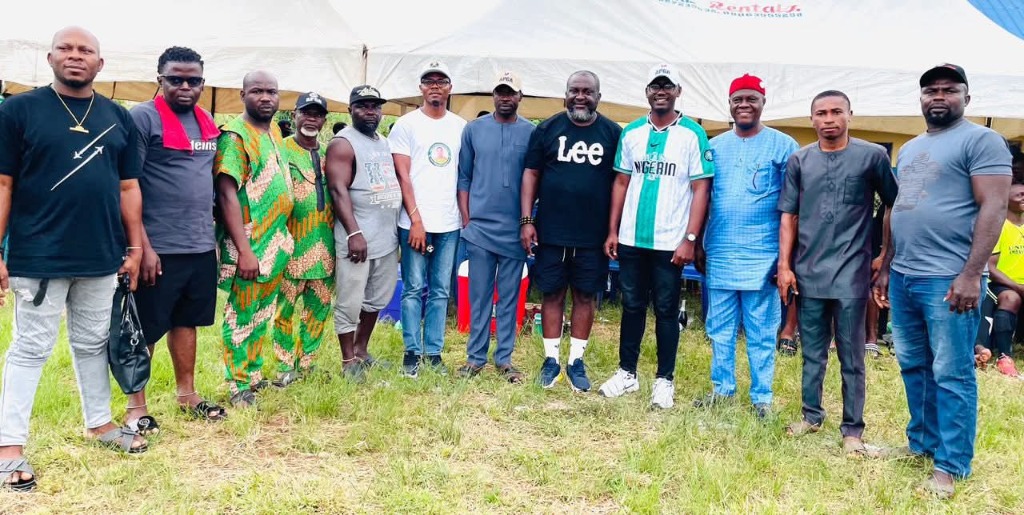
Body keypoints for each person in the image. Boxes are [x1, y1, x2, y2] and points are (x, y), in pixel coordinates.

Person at [0, 26, 147, 491]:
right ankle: (8, 447)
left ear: (100, 64)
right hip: (39, 254)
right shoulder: (18, 110)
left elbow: (128, 187)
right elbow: (3, 184)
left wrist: (135, 247)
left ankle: (99, 424)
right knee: (30, 347)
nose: (75, 55)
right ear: (50, 58)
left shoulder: (117, 117)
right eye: (65, 48)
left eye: (86, 50)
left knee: (91, 342)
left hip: (102, 254)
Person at [875, 63, 1012, 499]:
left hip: (949, 279)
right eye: (930, 90)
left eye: (949, 90)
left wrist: (972, 273)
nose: (938, 96)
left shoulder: (982, 140)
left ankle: (951, 465)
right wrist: (886, 264)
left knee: (951, 373)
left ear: (966, 98)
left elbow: (994, 207)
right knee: (913, 364)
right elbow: (898, 207)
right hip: (905, 274)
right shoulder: (912, 148)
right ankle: (922, 443)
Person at [777, 90, 898, 456]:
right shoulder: (800, 160)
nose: (828, 119)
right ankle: (811, 416)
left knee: (852, 356)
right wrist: (785, 266)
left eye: (835, 112)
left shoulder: (872, 156)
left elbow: (893, 205)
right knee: (812, 352)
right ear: (811, 118)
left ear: (850, 114)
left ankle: (852, 431)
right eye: (821, 113)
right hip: (809, 271)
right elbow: (789, 216)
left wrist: (885, 254)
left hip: (852, 273)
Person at [597, 64, 712, 408]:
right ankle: (627, 373)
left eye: (667, 86)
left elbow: (701, 188)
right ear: (647, 91)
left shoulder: (692, 134)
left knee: (665, 309)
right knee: (631, 305)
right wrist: (613, 230)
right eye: (655, 86)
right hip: (632, 237)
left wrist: (690, 238)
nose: (661, 91)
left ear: (678, 91)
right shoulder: (632, 132)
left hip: (670, 241)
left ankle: (664, 380)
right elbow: (621, 182)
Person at [124, 46, 226, 433]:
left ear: (202, 82)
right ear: (160, 80)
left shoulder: (207, 121)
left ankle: (188, 395)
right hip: (158, 246)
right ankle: (136, 406)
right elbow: (127, 184)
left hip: (199, 244)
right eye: (176, 79)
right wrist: (142, 247)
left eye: (193, 80)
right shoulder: (142, 118)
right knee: (147, 326)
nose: (185, 87)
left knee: (187, 321)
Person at [693, 73, 798, 417]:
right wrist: (699, 244)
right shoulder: (715, 147)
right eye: (738, 99)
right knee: (719, 328)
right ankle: (722, 390)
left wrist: (784, 260)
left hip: (763, 255)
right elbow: (704, 198)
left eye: (752, 98)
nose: (744, 105)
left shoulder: (784, 146)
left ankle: (761, 397)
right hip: (721, 251)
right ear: (729, 104)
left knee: (761, 330)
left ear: (763, 102)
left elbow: (792, 208)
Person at [520, 71, 622, 392]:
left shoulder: (613, 133)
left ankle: (576, 361)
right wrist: (527, 220)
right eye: (574, 90)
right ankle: (551, 360)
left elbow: (620, 183)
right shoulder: (547, 129)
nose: (580, 97)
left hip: (593, 235)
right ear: (565, 94)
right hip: (551, 231)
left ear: (598, 97)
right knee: (552, 293)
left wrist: (613, 230)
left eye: (587, 91)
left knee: (585, 295)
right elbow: (531, 174)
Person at [214, 71, 294, 407]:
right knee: (241, 314)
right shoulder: (235, 137)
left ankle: (254, 375)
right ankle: (238, 384)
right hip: (249, 243)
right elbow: (226, 194)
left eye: (271, 92)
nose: (265, 97)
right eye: (257, 91)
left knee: (262, 313)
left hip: (275, 242)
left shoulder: (273, 131)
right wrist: (244, 251)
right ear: (242, 94)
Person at [456, 71, 535, 382]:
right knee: (479, 296)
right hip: (480, 229)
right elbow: (464, 177)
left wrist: (528, 222)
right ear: (493, 96)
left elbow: (535, 179)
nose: (505, 97)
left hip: (515, 230)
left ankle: (504, 359)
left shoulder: (531, 132)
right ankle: (475, 358)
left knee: (509, 297)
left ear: (520, 97)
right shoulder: (474, 129)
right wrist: (467, 218)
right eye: (500, 92)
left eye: (510, 92)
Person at [391, 60, 467, 377]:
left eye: (441, 81)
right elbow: (403, 176)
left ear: (450, 88)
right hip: (414, 224)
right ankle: (412, 352)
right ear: (420, 88)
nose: (435, 86)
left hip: (449, 223)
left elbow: (464, 175)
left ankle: (433, 352)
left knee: (440, 290)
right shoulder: (406, 125)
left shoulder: (461, 126)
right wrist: (416, 220)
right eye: (429, 81)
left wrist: (465, 216)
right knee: (413, 288)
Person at [325, 85, 401, 381]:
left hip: (385, 239)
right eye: (363, 106)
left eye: (375, 106)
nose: (370, 112)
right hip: (358, 239)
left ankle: (361, 350)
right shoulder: (343, 144)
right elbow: (337, 189)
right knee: (350, 301)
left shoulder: (383, 142)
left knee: (377, 299)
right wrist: (353, 232)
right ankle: (348, 360)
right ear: (350, 110)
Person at [271, 92, 334, 386]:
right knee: (283, 310)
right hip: (290, 247)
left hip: (324, 247)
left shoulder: (331, 155)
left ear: (324, 120)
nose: (311, 119)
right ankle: (285, 365)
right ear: (294, 115)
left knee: (319, 308)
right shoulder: (280, 150)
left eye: (317, 114)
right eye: (305, 113)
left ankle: (307, 363)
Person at [982, 181, 1024, 377]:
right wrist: (1017, 286)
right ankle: (1004, 356)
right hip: (1001, 284)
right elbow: (990, 267)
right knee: (1010, 298)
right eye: (1020, 194)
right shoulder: (998, 226)